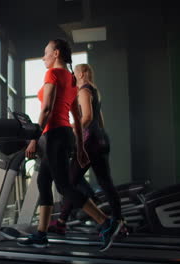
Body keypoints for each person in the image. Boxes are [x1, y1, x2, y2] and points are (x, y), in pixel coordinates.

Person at [17, 40, 122, 252]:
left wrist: (34, 138)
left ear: (56, 54)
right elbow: (75, 114)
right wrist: (81, 148)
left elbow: (46, 109)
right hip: (65, 136)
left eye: (45, 53)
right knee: (43, 181)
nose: (43, 57)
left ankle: (106, 222)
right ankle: (41, 234)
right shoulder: (72, 79)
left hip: (54, 136)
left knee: (64, 186)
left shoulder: (53, 75)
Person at [47, 63, 128, 243]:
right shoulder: (95, 91)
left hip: (90, 142)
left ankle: (62, 222)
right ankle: (118, 221)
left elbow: (88, 117)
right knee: (105, 182)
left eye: (75, 75)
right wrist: (98, 137)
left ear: (82, 73)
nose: (73, 79)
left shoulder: (83, 90)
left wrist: (72, 131)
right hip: (101, 140)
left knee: (68, 183)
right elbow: (100, 120)